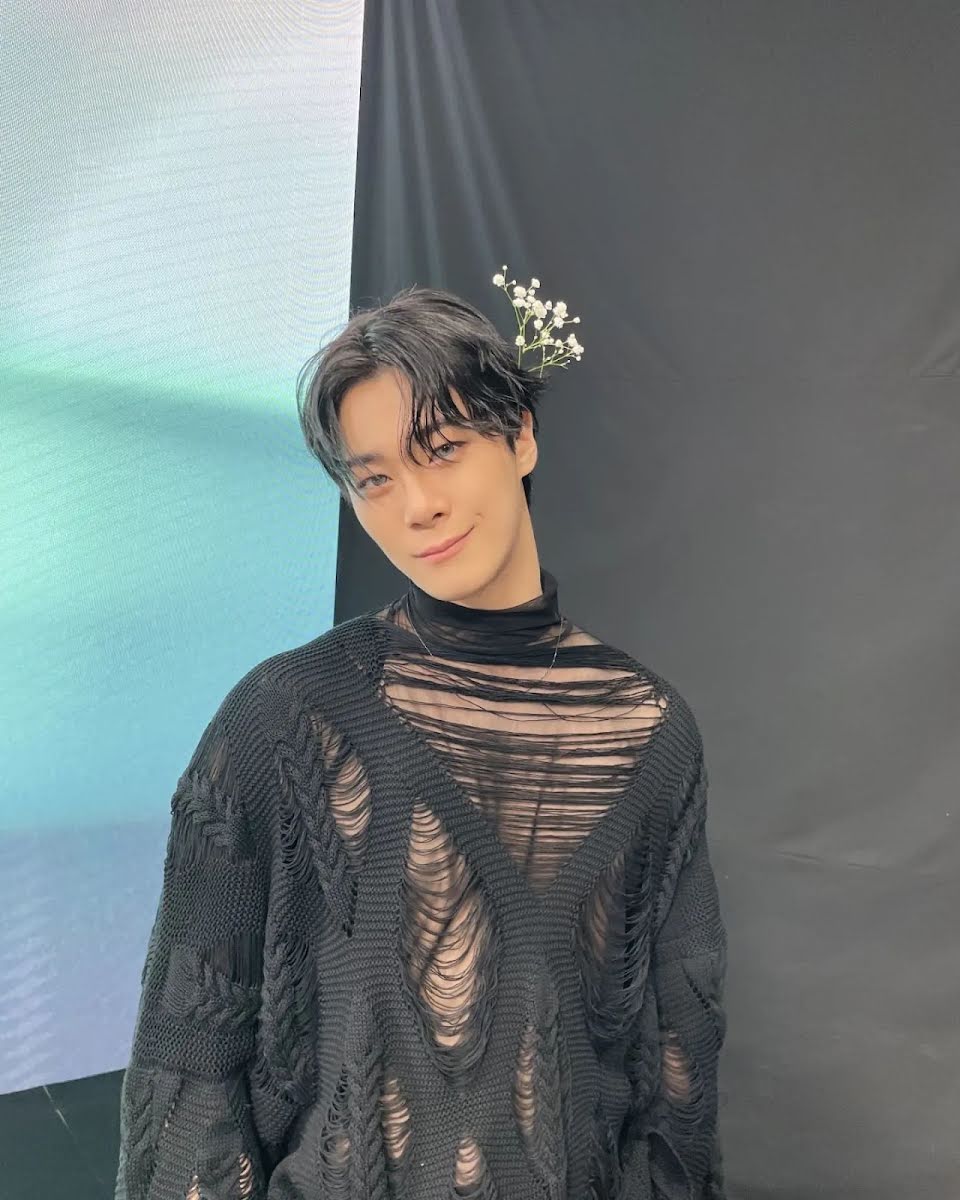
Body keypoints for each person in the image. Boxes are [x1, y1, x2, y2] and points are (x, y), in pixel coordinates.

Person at [115, 283, 728, 1199]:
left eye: (441, 450)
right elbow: (191, 1072)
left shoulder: (650, 732)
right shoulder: (284, 720)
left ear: (521, 437)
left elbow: (677, 1079)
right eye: (374, 479)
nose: (417, 506)